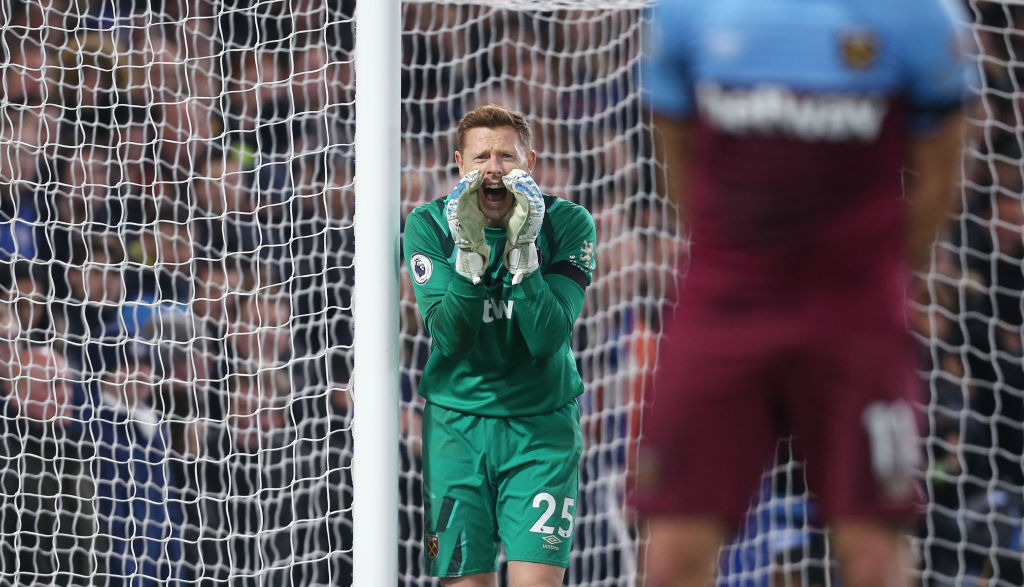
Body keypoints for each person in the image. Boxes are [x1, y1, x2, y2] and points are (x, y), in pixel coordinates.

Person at [632, 1, 974, 587]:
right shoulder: (688, 12)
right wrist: (732, 258)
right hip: (724, 305)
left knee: (871, 552)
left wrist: (880, 278)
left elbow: (941, 170)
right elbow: (677, 154)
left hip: (854, 312)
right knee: (671, 554)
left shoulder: (921, 16)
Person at [403, 104, 596, 586]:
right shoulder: (428, 226)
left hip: (541, 430)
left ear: (530, 164)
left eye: (506, 157)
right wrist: (468, 257)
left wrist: (523, 254)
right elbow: (452, 337)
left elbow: (548, 338)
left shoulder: (568, 224)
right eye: (480, 157)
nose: (493, 169)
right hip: (455, 430)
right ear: (459, 164)